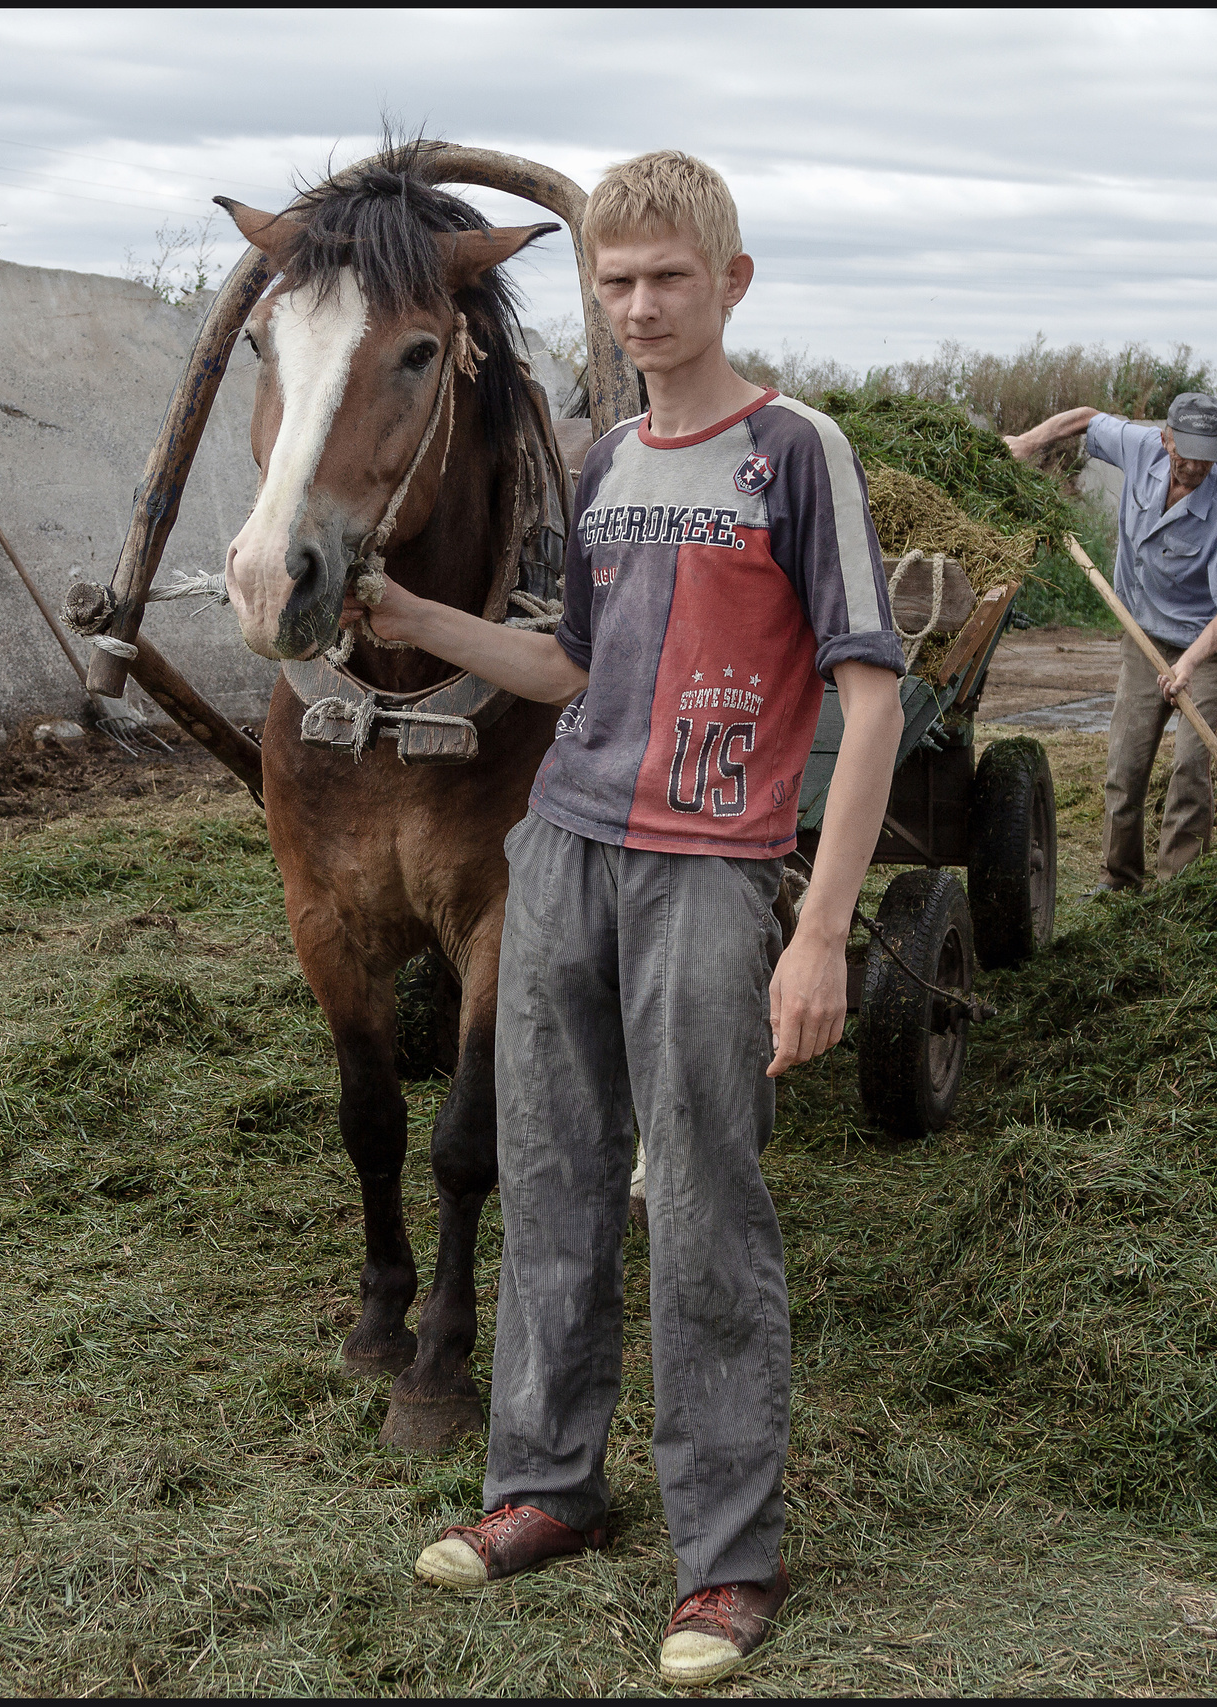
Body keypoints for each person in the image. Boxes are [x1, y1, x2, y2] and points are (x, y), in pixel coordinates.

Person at [339, 149, 904, 1688]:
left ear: (731, 282)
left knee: (707, 1195)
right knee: (551, 1167)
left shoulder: (796, 454)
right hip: (568, 851)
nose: (642, 304)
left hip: (712, 871)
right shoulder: (597, 464)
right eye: (615, 280)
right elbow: (574, 671)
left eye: (668, 277)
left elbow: (872, 695)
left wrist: (823, 929)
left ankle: (729, 1558)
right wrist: (423, 621)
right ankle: (544, 1484)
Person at [1006, 393, 1217, 889]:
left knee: (1190, 766)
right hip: (1143, 635)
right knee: (1126, 762)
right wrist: (1027, 443)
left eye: (1207, 457)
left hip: (1203, 646)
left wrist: (1187, 667)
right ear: (1166, 439)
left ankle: (1179, 888)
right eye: (1186, 454)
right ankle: (1120, 879)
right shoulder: (1142, 446)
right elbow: (1083, 418)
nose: (1195, 467)